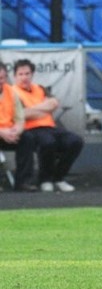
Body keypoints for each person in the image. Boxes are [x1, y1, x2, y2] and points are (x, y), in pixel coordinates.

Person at [12, 59, 84, 193]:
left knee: (75, 141)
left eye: (27, 73)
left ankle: (58, 177)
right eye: (21, 74)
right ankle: (45, 180)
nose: (24, 77)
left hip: (50, 126)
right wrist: (42, 109)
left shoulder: (40, 88)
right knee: (48, 142)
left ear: (32, 74)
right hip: (30, 129)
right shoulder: (12, 92)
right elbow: (20, 114)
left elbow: (54, 103)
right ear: (15, 76)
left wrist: (32, 110)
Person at [0, 62, 37, 192]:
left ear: (5, 77)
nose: (0, 81)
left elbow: (20, 117)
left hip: (10, 132)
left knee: (27, 138)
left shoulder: (11, 91)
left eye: (1, 78)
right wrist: (1, 132)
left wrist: (16, 131)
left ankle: (23, 182)